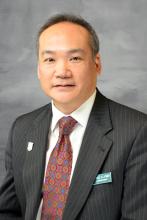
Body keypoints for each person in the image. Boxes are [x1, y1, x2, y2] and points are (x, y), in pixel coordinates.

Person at [0, 13, 147, 220]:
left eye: (75, 58)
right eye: (50, 59)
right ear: (38, 69)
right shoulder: (22, 128)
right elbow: (8, 212)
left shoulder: (137, 131)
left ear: (97, 64)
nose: (62, 71)